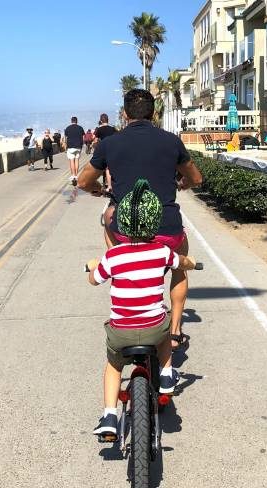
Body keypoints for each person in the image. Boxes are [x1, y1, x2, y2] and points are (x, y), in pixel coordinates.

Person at [78, 88, 203, 351]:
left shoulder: (110, 144)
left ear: (124, 114)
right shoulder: (171, 141)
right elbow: (196, 178)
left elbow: (83, 181)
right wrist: (181, 184)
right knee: (180, 267)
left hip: (126, 230)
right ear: (154, 113)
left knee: (108, 219)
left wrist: (99, 191)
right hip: (168, 230)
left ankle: (121, 274)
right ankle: (176, 329)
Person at [86, 179, 199, 437]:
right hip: (153, 330)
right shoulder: (161, 251)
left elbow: (94, 280)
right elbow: (181, 262)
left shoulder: (113, 257)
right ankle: (167, 373)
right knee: (165, 327)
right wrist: (191, 263)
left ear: (122, 224)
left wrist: (90, 268)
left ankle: (109, 416)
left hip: (121, 332)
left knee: (114, 366)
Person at [93, 113, 117, 191]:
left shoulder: (99, 129)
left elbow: (96, 140)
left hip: (103, 150)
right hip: (113, 149)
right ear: (108, 120)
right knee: (111, 167)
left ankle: (109, 186)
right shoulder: (112, 129)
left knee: (106, 168)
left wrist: (96, 147)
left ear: (101, 120)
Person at [64, 116, 85, 185]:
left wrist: (66, 146)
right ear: (77, 121)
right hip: (78, 147)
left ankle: (73, 176)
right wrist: (81, 145)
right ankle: (76, 175)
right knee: (76, 161)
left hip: (70, 147)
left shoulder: (67, 128)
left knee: (71, 161)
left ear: (71, 121)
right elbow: (83, 137)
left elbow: (66, 138)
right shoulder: (80, 128)